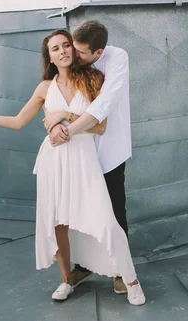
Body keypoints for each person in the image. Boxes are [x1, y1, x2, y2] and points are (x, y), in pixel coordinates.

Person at [0, 29, 145, 306]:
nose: (63, 51)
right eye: (55, 48)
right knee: (59, 224)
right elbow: (18, 122)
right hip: (53, 161)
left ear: (73, 49)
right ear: (50, 57)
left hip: (84, 161)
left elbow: (102, 126)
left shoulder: (92, 79)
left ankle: (131, 281)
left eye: (66, 45)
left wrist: (65, 115)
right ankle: (66, 280)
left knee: (107, 221)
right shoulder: (45, 88)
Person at [43, 20, 132, 296]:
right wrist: (54, 124)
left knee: (114, 212)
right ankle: (84, 265)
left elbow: (101, 110)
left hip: (108, 151)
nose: (72, 55)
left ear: (98, 53)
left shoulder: (116, 60)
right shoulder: (67, 74)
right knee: (78, 212)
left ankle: (120, 271)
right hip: (78, 156)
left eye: (78, 52)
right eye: (69, 47)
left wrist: (65, 127)